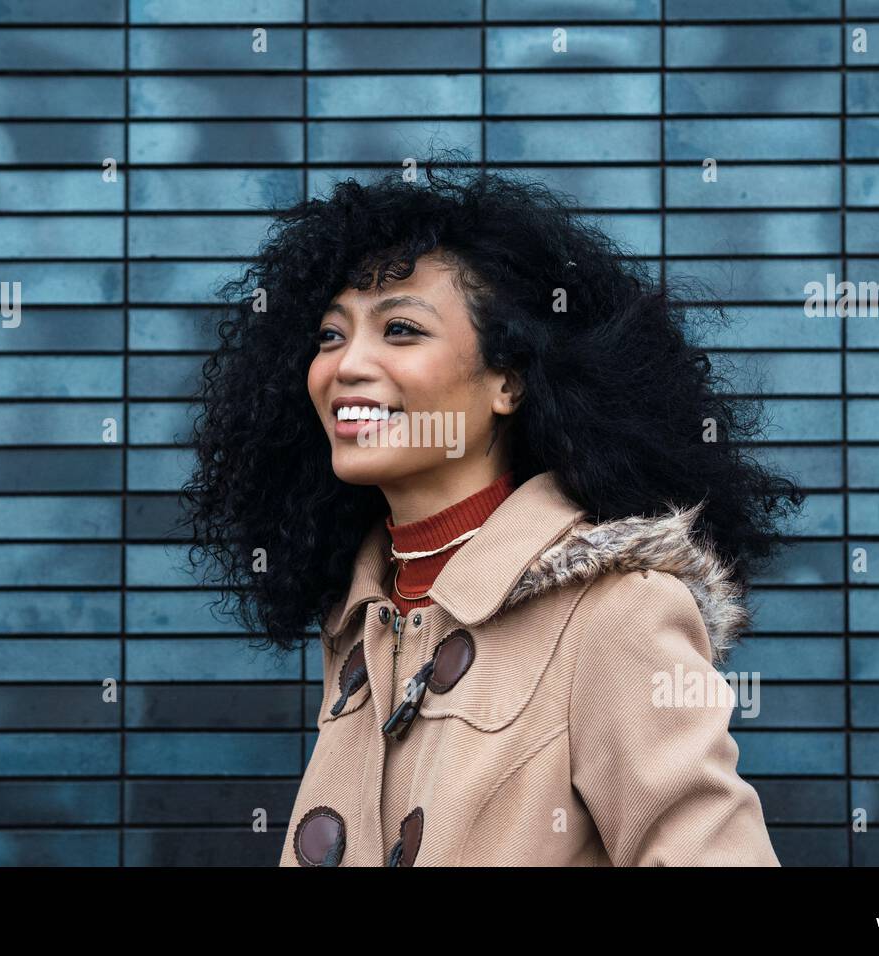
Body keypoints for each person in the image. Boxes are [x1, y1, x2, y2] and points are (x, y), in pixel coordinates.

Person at [180, 162, 803, 866]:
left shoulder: (616, 612)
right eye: (329, 335)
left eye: (402, 330)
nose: (347, 364)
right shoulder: (364, 616)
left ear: (508, 380)